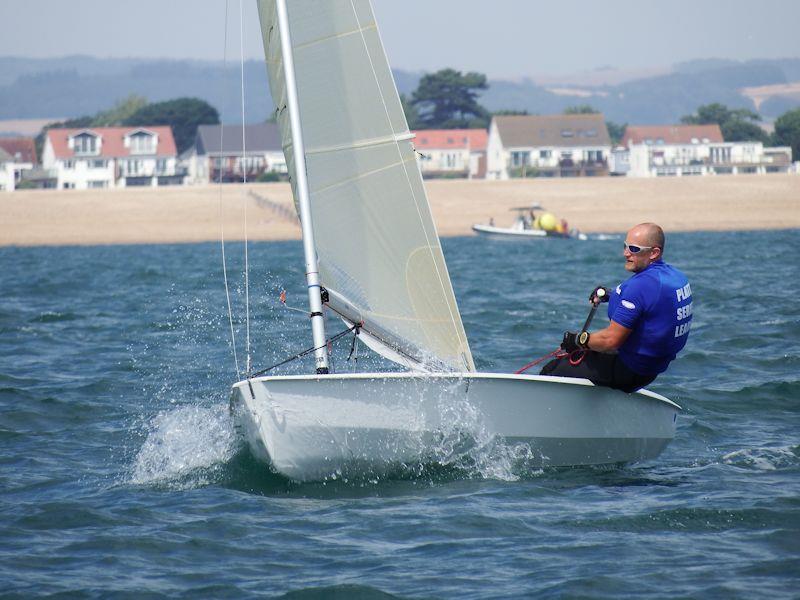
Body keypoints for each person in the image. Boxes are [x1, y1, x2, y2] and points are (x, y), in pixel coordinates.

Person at [540, 222, 692, 392]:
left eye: (634, 249)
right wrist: (611, 296)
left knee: (552, 369)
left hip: (629, 370)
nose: (625, 253)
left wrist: (578, 340)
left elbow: (610, 341)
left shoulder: (640, 286)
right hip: (651, 369)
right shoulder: (676, 277)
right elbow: (652, 304)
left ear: (654, 253)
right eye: (625, 246)